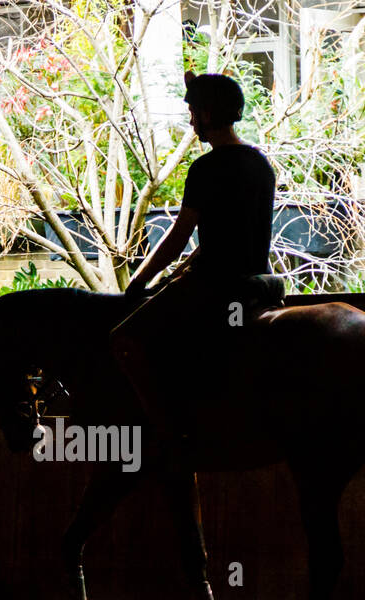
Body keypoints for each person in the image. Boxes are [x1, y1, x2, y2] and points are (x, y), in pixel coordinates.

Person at [111, 70, 277, 454]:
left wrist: (139, 280)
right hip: (259, 282)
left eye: (192, 112)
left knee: (122, 339)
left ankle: (168, 433)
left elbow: (178, 237)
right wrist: (188, 264)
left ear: (207, 112)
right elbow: (237, 233)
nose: (191, 121)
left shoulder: (206, 168)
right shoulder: (260, 164)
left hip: (216, 286)